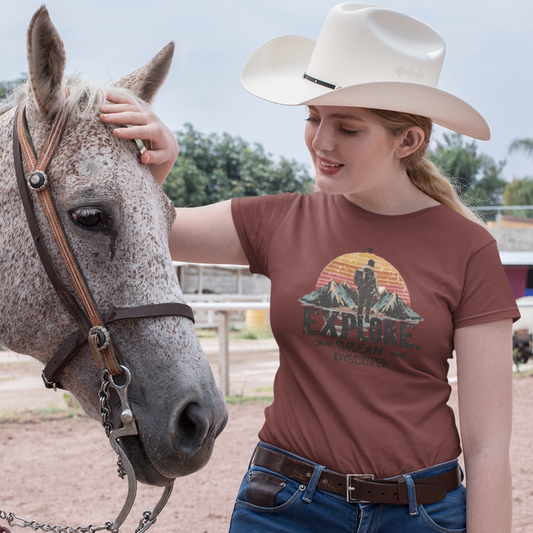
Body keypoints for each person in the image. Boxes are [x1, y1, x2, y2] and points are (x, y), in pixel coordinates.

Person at [99, 4, 520, 532]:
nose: (322, 142)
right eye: (314, 118)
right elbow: (151, 231)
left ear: (407, 141)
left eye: (347, 127)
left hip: (423, 516)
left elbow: (486, 450)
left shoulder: (469, 249)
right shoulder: (278, 220)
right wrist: (158, 167)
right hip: (284, 506)